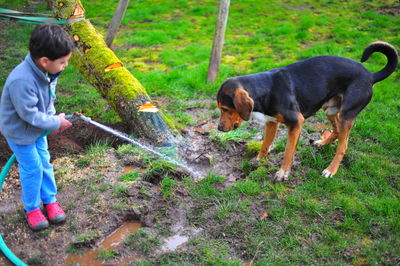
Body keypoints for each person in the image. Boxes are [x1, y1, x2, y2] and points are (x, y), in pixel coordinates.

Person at [0, 24, 75, 231]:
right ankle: (32, 209)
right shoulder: (22, 80)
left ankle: (50, 201)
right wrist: (55, 122)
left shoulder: (46, 72)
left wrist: (52, 119)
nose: (65, 66)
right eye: (62, 62)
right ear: (45, 61)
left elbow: (48, 99)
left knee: (44, 163)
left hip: (38, 129)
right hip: (20, 133)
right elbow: (29, 115)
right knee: (32, 169)